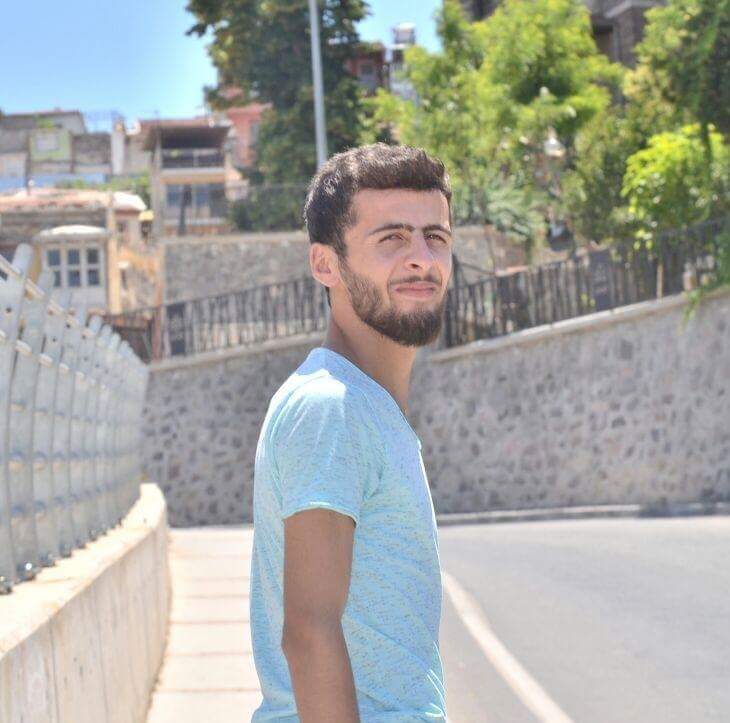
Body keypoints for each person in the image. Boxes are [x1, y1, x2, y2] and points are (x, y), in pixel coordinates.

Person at [249, 143, 453, 722]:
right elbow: (309, 632)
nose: (421, 259)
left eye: (435, 237)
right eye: (392, 239)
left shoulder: (366, 406)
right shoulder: (331, 408)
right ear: (325, 264)